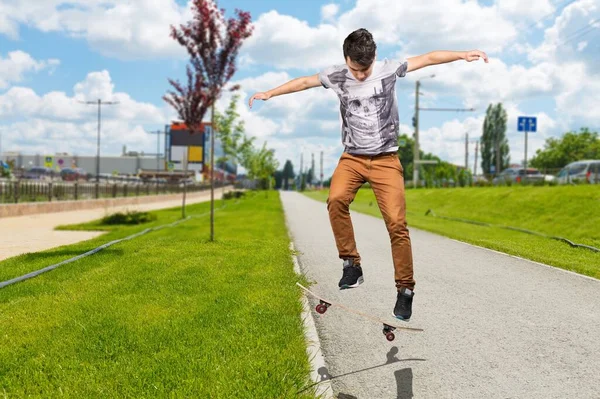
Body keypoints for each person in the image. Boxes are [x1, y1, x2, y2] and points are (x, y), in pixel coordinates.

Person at [248, 28, 488, 321]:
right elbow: (304, 82)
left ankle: (405, 290)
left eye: (365, 70)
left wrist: (462, 54)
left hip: (386, 159)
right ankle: (351, 264)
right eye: (354, 70)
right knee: (335, 200)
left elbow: (428, 57)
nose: (359, 76)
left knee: (397, 223)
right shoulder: (335, 75)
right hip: (352, 158)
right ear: (346, 58)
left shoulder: (388, 69)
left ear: (373, 58)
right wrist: (270, 93)